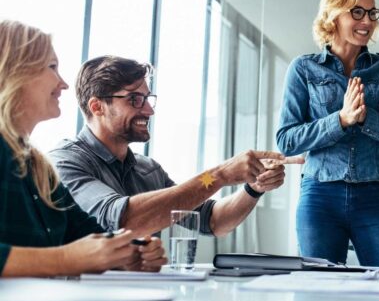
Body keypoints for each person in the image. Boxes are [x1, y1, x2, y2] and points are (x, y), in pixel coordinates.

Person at [49, 56, 303, 238]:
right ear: (97, 107)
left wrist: (253, 188)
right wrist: (221, 175)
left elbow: (213, 221)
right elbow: (125, 221)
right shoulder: (65, 162)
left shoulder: (148, 170)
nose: (148, 109)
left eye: (148, 99)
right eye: (135, 99)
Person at [0, 20, 166, 277]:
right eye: (52, 67)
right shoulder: (59, 160)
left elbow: (87, 234)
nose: (63, 84)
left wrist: (130, 253)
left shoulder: (38, 168)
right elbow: (73, 254)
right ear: (15, 72)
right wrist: (64, 259)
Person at [276, 0, 379, 267]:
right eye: (357, 12)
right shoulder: (303, 68)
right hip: (319, 197)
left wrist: (367, 117)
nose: (367, 21)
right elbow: (287, 141)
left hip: (375, 197)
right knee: (319, 294)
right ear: (333, 15)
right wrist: (340, 120)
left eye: (372, 13)